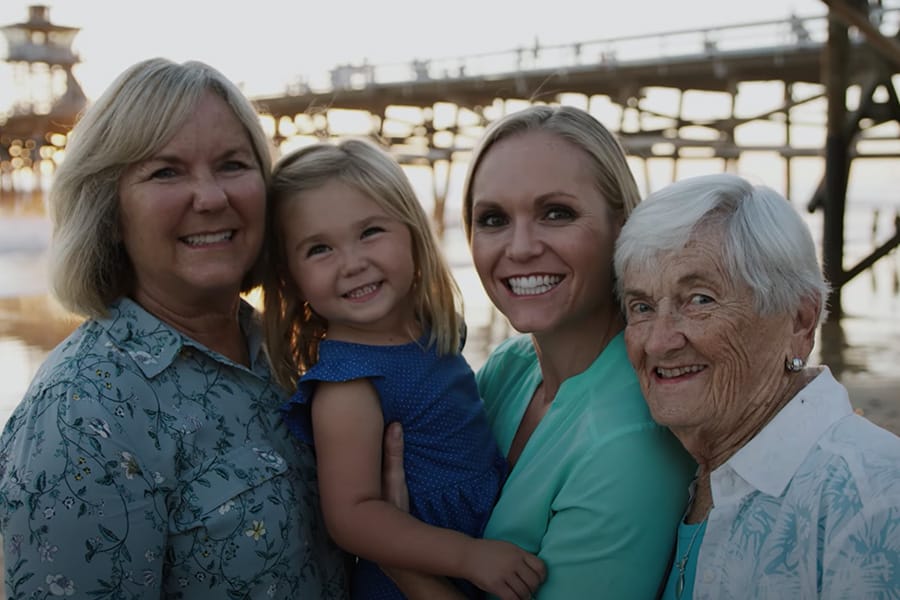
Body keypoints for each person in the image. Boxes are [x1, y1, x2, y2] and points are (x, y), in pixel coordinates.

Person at [0, 58, 347, 599]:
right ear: (110, 212)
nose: (211, 198)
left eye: (233, 164)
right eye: (166, 171)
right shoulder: (79, 414)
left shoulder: (293, 351)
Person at [383, 105, 697, 599]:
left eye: (557, 213)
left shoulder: (630, 438)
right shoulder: (512, 366)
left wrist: (394, 550)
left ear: (624, 226)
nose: (521, 247)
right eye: (493, 219)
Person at [262, 137, 546, 600]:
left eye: (370, 231)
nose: (353, 263)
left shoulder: (430, 334)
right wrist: (468, 557)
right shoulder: (348, 384)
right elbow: (352, 517)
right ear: (290, 276)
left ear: (413, 231)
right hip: (419, 577)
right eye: (319, 249)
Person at [613, 172, 900, 599]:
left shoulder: (872, 497)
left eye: (701, 300)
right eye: (642, 306)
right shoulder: (671, 475)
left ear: (800, 321)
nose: (658, 341)